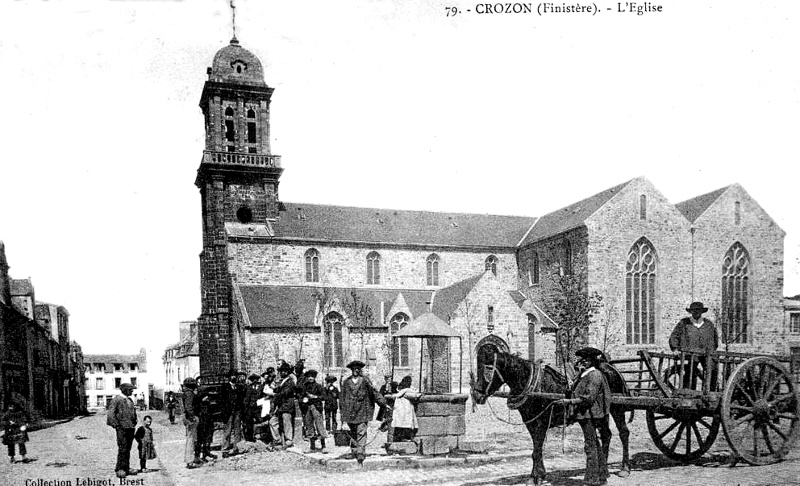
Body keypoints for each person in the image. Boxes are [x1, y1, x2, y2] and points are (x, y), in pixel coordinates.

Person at [558, 347, 612, 486]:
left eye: (588, 359)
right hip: (584, 413)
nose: (585, 361)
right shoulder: (584, 374)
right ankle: (602, 475)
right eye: (584, 359)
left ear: (594, 360)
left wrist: (569, 402)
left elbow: (589, 398)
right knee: (594, 443)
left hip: (590, 414)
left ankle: (592, 480)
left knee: (590, 446)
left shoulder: (595, 375)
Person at [340, 360, 387, 467]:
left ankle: (360, 453)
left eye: (357, 369)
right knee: (352, 433)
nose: (355, 370)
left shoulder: (365, 381)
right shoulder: (346, 382)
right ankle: (355, 451)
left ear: (359, 370)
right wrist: (342, 415)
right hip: (350, 412)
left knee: (361, 431)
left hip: (363, 410)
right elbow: (342, 399)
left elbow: (374, 392)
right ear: (351, 370)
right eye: (353, 369)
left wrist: (383, 403)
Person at [669, 301, 719, 389]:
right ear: (691, 312)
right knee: (690, 372)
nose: (696, 313)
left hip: (706, 353)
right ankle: (688, 392)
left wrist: (711, 350)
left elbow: (715, 339)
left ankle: (711, 392)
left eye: (698, 311)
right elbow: (674, 336)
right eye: (694, 311)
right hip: (690, 353)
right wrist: (675, 349)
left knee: (711, 371)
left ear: (702, 312)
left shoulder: (709, 324)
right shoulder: (684, 323)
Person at [107, 382, 139, 478]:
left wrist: (135, 420)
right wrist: (117, 425)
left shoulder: (130, 400)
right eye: (130, 389)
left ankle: (126, 468)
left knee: (128, 448)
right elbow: (111, 414)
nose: (132, 391)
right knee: (122, 448)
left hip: (130, 428)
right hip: (122, 428)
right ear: (125, 390)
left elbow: (133, 412)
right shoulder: (117, 400)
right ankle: (120, 469)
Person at [269, 362, 296, 449]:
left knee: (286, 421)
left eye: (285, 371)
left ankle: (289, 440)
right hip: (280, 406)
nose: (283, 373)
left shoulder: (290, 381)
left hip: (287, 405)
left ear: (288, 372)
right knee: (272, 422)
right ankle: (278, 441)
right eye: (281, 371)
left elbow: (284, 393)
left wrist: (274, 394)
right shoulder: (281, 381)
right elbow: (278, 390)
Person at [300, 370, 328, 452]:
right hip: (307, 407)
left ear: (315, 377)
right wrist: (303, 400)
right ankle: (312, 447)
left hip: (316, 407)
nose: (310, 378)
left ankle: (324, 446)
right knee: (309, 426)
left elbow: (324, 397)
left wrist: (315, 397)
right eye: (309, 377)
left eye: (312, 376)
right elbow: (300, 397)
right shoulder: (304, 387)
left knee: (319, 425)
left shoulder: (318, 386)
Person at [181, 377, 202, 469]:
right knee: (191, 439)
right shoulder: (189, 393)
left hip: (188, 418)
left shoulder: (186, 393)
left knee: (192, 439)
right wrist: (193, 417)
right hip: (191, 419)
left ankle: (191, 459)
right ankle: (189, 461)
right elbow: (189, 407)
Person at [221, 370, 244, 454]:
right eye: (232, 376)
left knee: (237, 430)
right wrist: (224, 411)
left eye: (235, 375)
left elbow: (241, 400)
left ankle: (236, 448)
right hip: (228, 412)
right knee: (227, 431)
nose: (234, 377)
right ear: (229, 377)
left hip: (237, 411)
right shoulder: (224, 387)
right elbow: (222, 400)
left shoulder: (239, 387)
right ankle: (225, 450)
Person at [391, 376, 418, 442]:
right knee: (406, 423)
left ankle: (398, 439)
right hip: (405, 409)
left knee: (399, 424)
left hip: (399, 410)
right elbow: (414, 395)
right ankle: (405, 438)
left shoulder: (400, 389)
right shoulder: (407, 390)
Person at [196, 387, 216, 462]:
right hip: (201, 424)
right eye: (205, 396)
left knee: (208, 439)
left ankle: (206, 454)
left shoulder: (208, 404)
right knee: (200, 440)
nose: (207, 397)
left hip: (208, 423)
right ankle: (197, 457)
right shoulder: (199, 405)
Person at [242, 373, 262, 442]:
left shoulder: (261, 387)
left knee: (261, 421)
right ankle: (250, 438)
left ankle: (260, 436)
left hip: (258, 407)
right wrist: (246, 407)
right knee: (249, 422)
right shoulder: (248, 388)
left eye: (256, 379)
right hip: (250, 407)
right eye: (253, 380)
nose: (255, 381)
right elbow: (246, 398)